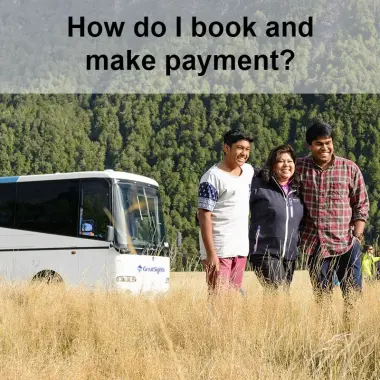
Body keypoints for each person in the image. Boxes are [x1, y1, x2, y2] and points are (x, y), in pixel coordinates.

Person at [296, 121, 369, 298]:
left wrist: (357, 237)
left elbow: (361, 204)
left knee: (353, 295)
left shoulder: (349, 168)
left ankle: (351, 326)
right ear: (309, 145)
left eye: (328, 142)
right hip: (315, 245)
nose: (324, 148)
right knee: (322, 297)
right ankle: (326, 326)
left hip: (347, 242)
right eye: (319, 144)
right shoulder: (299, 167)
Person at [198, 129, 254, 293]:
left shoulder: (248, 171)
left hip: (240, 249)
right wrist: (210, 254)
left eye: (247, 149)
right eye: (239, 148)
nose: (244, 153)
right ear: (226, 148)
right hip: (220, 250)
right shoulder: (212, 177)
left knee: (232, 301)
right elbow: (203, 215)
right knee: (218, 301)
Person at [249, 144, 304, 289]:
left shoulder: (298, 190)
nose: (286, 164)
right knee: (278, 291)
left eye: (290, 161)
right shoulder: (258, 185)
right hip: (264, 251)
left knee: (277, 298)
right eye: (281, 161)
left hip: (289, 255)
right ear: (272, 165)